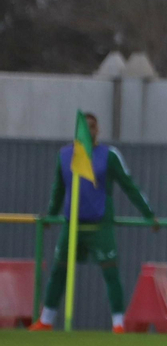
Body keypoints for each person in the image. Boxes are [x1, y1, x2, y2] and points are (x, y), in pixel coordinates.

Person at [28, 113, 159, 333]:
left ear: (98, 130)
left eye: (92, 127)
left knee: (111, 273)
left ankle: (118, 324)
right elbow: (58, 189)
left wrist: (148, 213)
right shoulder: (65, 155)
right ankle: (46, 320)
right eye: (83, 127)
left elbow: (129, 185)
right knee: (58, 271)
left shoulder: (109, 155)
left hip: (100, 224)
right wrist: (51, 214)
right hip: (72, 224)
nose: (88, 131)